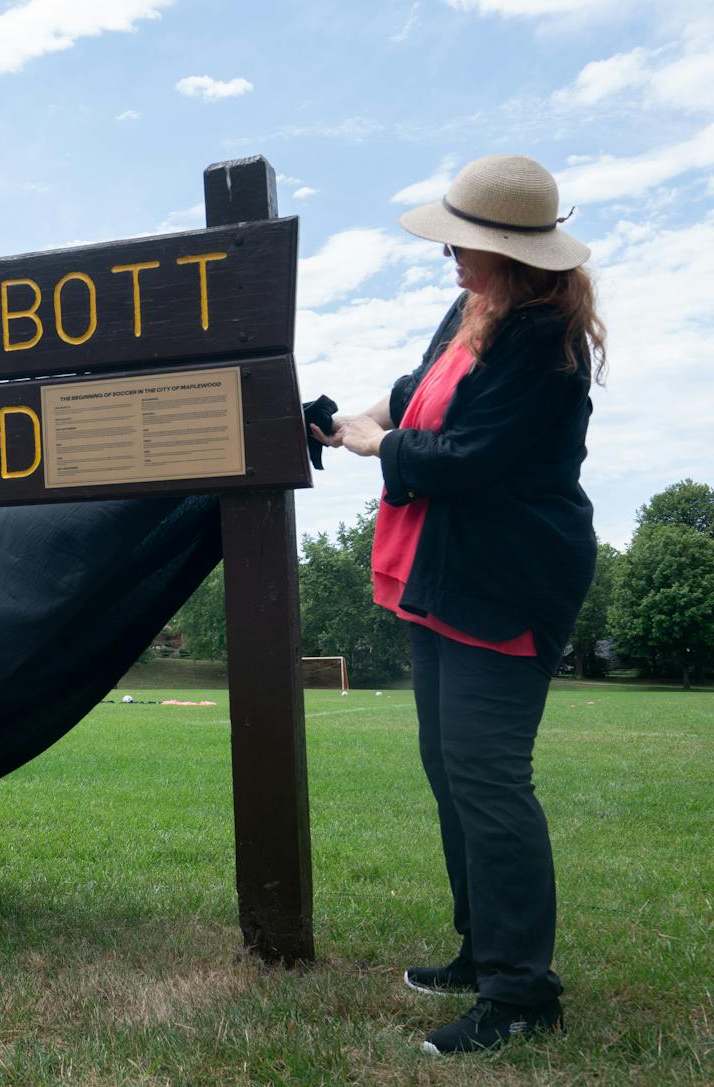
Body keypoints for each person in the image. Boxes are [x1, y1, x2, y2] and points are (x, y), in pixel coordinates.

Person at [313, 155, 604, 1054]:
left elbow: (464, 457)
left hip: (506, 579)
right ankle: (484, 949)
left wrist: (377, 444)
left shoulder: (545, 345)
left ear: (519, 257)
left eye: (466, 246)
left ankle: (523, 993)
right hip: (444, 571)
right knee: (451, 770)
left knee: (488, 776)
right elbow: (414, 393)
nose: (451, 257)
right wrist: (344, 417)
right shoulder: (477, 310)